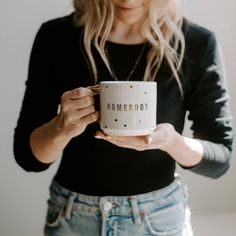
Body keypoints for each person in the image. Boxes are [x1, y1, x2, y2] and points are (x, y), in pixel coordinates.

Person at [14, 0, 234, 235]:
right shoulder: (56, 37)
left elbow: (219, 159)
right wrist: (61, 127)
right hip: (71, 217)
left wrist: (171, 142)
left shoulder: (196, 44)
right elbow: (28, 157)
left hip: (158, 219)